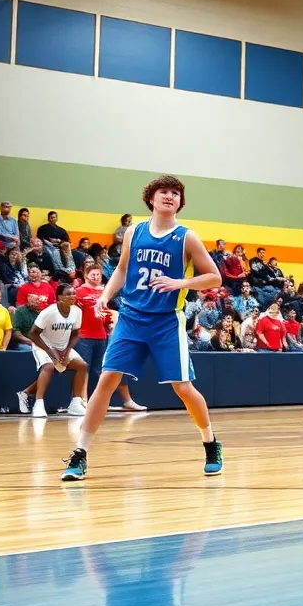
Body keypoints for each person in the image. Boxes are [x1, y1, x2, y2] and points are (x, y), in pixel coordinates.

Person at [61, 176, 224, 482]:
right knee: (106, 380)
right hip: (132, 317)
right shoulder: (134, 231)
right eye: (164, 191)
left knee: (183, 388)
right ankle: (80, 454)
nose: (169, 196)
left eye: (175, 193)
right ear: (151, 198)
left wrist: (181, 283)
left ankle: (211, 443)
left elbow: (214, 277)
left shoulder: (186, 237)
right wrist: (105, 297)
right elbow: (122, 270)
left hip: (165, 320)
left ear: (180, 202)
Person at [72, 264, 145, 414]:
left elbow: (107, 312)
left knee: (101, 369)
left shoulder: (105, 292)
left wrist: (110, 323)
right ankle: (83, 401)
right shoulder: (78, 292)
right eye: (93, 274)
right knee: (84, 368)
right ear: (85, 275)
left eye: (98, 274)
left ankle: (102, 402)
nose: (96, 277)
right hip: (84, 335)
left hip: (102, 335)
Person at [27, 283, 89, 418]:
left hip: (62, 347)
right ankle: (38, 403)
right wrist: (50, 351)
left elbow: (76, 333)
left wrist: (66, 350)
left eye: (73, 293)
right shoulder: (49, 312)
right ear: (59, 297)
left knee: (82, 366)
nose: (72, 296)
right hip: (43, 345)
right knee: (49, 367)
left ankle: (75, 403)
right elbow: (32, 334)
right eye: (68, 294)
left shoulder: (77, 311)